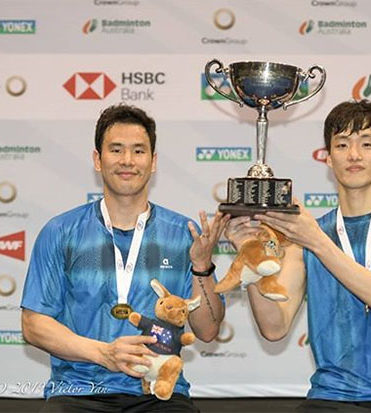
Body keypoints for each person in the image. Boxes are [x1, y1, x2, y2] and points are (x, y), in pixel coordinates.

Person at [226, 100, 371, 412]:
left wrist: (317, 240)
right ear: (328, 158)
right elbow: (274, 327)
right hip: (332, 397)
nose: (354, 155)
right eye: (342, 145)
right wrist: (249, 260)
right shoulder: (305, 237)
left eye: (366, 144)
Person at [21, 104, 228, 412]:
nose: (127, 161)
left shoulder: (184, 233)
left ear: (154, 162)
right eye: (116, 150)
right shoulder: (61, 231)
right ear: (97, 159)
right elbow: (33, 324)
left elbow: (209, 331)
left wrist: (201, 267)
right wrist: (103, 353)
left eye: (139, 151)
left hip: (160, 396)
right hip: (78, 392)